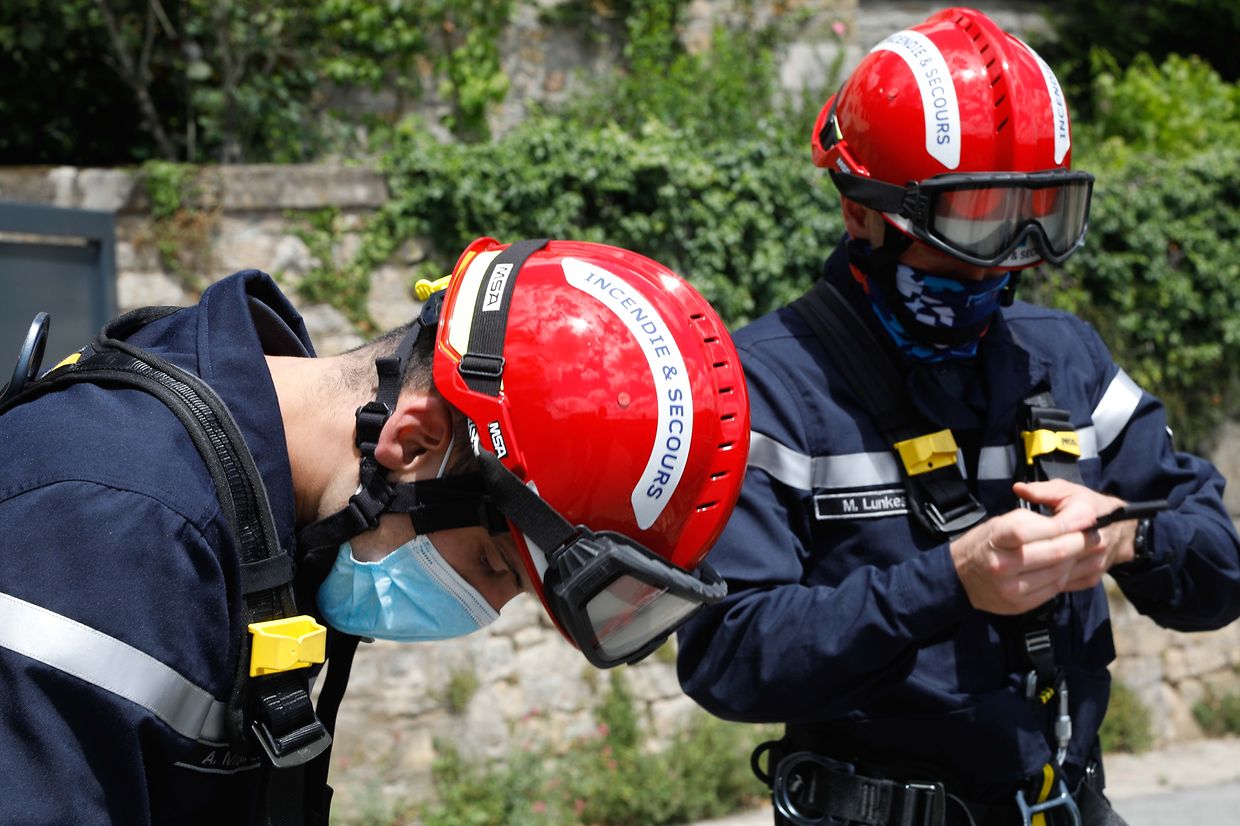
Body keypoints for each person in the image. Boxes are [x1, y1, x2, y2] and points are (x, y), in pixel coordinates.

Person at [676, 8, 1240, 826]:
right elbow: (728, 657)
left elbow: (1219, 574)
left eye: (1035, 214)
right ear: (859, 212)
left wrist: (1126, 536)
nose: (1006, 256)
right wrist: (946, 582)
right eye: (975, 216)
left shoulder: (1065, 359)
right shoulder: (765, 389)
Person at [0, 236, 749, 825]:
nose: (487, 608)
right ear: (414, 444)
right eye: (496, 564)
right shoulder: (109, 530)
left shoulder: (253, 525)